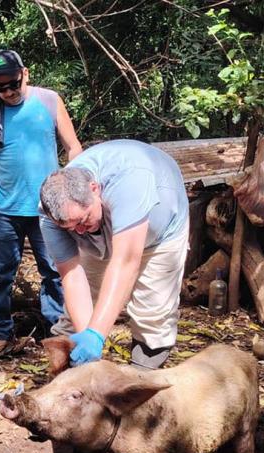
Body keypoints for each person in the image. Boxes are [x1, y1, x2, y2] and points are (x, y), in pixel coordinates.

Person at [39, 139, 190, 370]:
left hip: (160, 233)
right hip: (101, 238)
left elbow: (125, 263)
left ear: (94, 189)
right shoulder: (49, 217)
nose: (78, 231)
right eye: (69, 228)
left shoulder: (129, 181)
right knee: (75, 319)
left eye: (82, 220)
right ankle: (72, 383)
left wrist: (97, 335)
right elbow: (72, 276)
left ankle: (140, 379)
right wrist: (87, 337)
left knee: (152, 315)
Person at [0, 49, 82, 357]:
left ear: (26, 74)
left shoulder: (48, 101)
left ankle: (59, 336)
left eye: (12, 84)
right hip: (4, 209)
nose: (7, 92)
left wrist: (75, 189)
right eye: (0, 87)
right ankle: (0, 336)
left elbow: (73, 147)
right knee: (1, 275)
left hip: (47, 208)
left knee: (56, 271)